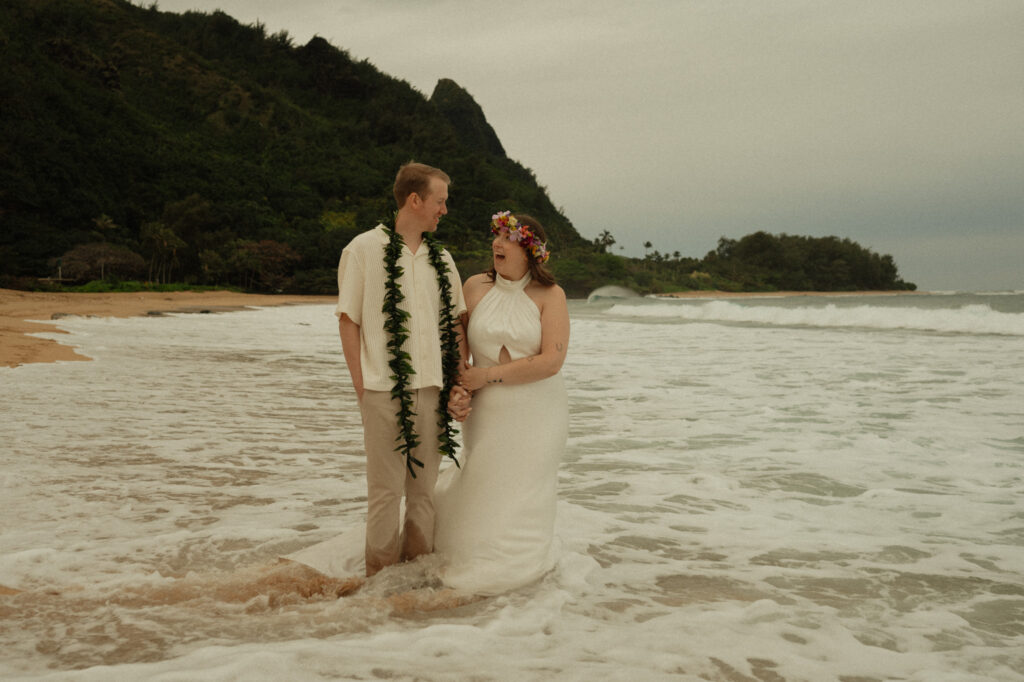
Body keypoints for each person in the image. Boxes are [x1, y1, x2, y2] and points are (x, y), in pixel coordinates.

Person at [287, 211, 570, 597]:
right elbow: (459, 353)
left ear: (529, 250)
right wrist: (459, 390)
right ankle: (455, 550)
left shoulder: (550, 296)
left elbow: (551, 362)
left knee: (525, 487)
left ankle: (517, 556)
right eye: (496, 236)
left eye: (508, 239)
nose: (497, 244)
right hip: (486, 412)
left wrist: (480, 379)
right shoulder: (473, 287)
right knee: (485, 477)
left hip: (538, 412)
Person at [334, 161, 467, 577]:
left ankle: (416, 577)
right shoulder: (362, 249)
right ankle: (377, 581)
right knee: (386, 493)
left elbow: (455, 326)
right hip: (381, 389)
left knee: (424, 492)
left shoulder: (442, 259)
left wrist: (458, 384)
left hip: (431, 388)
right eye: (440, 201)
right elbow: (348, 319)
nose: (444, 210)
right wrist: (362, 386)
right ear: (415, 199)